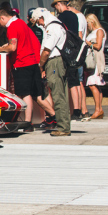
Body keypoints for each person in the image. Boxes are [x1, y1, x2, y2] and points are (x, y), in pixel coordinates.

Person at [0, 6, 42, 130]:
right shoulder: (21, 23)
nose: (1, 26)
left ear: (2, 18)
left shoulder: (12, 27)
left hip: (21, 63)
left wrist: (1, 49)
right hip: (31, 61)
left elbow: (13, 47)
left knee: (25, 94)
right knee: (31, 94)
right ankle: (31, 120)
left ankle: (27, 122)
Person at [33, 8, 71, 136]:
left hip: (55, 62)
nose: (39, 25)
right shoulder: (56, 25)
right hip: (57, 61)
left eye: (38, 22)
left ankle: (63, 127)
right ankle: (64, 124)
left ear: (41, 17)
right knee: (60, 93)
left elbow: (47, 50)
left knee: (58, 94)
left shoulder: (52, 27)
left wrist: (41, 65)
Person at [52, 0, 87, 120]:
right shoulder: (75, 16)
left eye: (56, 6)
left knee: (68, 82)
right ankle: (77, 109)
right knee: (76, 81)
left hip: (65, 51)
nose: (56, 9)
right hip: (74, 50)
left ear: (59, 4)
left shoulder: (61, 17)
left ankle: (71, 110)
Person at [84, 13, 107, 119]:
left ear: (92, 22)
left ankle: (98, 109)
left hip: (96, 60)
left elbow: (98, 46)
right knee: (95, 85)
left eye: (87, 23)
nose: (87, 25)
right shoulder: (93, 32)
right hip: (91, 60)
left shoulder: (99, 31)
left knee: (93, 84)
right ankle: (99, 109)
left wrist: (88, 43)